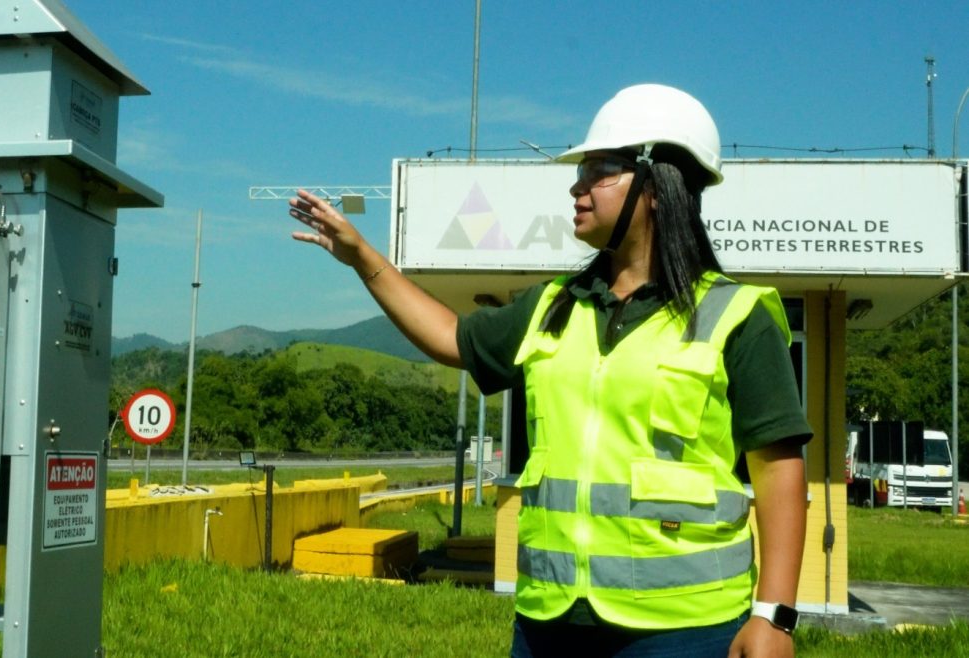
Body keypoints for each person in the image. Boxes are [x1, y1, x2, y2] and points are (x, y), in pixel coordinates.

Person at [288, 83, 811, 658]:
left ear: (658, 186)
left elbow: (779, 473)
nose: (576, 186)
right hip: (548, 623)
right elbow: (451, 338)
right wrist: (364, 257)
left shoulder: (736, 315)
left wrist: (773, 617)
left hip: (686, 629)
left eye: (599, 171)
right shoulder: (554, 304)